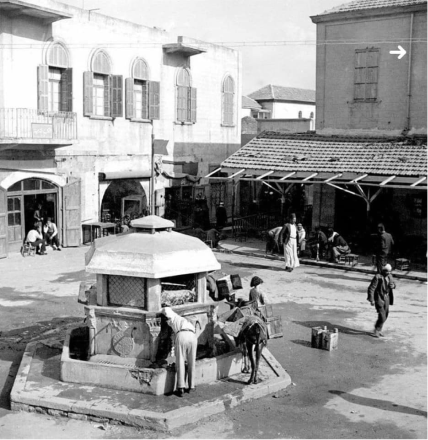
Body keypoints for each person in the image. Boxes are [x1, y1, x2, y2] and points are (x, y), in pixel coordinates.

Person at [161, 307, 197, 397]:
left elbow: (166, 309)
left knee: (180, 361)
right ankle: (191, 386)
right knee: (192, 362)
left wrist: (160, 310)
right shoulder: (182, 320)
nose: (166, 321)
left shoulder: (173, 316)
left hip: (182, 335)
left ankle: (181, 387)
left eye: (166, 318)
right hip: (193, 336)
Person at [367, 264, 396, 338]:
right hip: (379, 298)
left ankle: (379, 330)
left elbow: (394, 284)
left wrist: (393, 286)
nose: (389, 273)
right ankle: (376, 330)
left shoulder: (390, 276)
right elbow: (371, 288)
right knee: (382, 316)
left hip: (387, 298)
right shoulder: (378, 277)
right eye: (387, 272)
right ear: (383, 271)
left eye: (390, 271)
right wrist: (372, 300)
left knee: (386, 315)